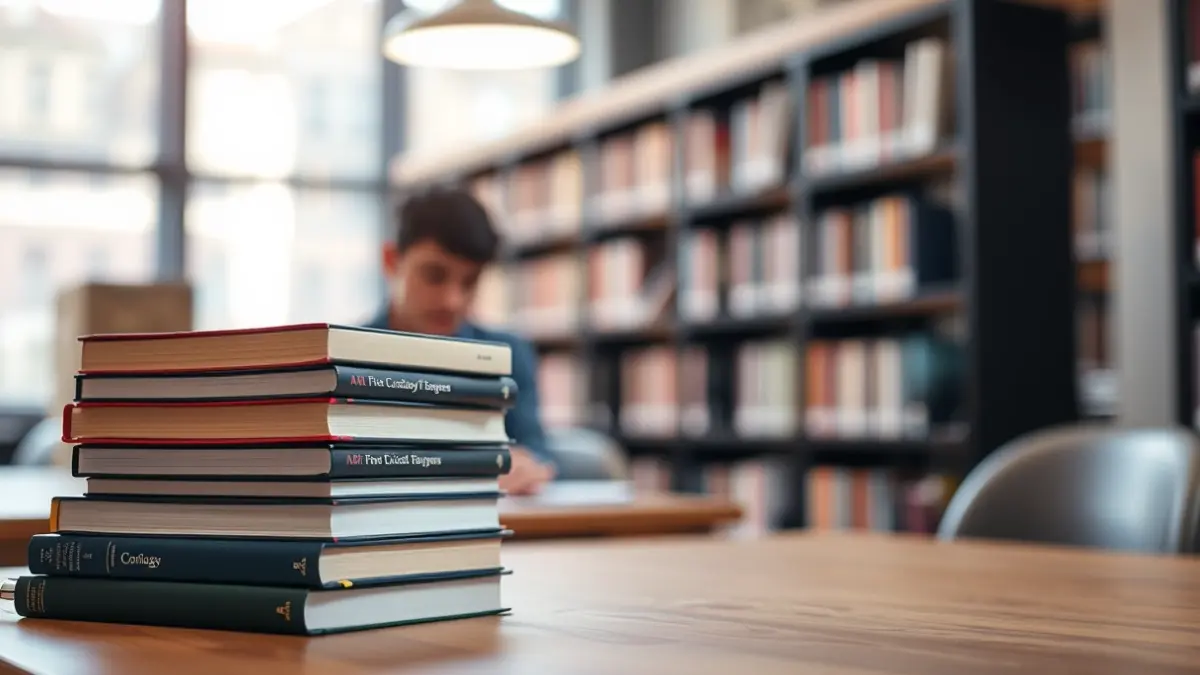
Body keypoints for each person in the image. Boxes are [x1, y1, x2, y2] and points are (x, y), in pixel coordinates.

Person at [365, 187, 555, 495]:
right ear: (391, 261)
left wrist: (527, 465)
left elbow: (537, 449)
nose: (453, 301)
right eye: (434, 276)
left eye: (470, 282)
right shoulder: (342, 355)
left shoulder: (509, 355)